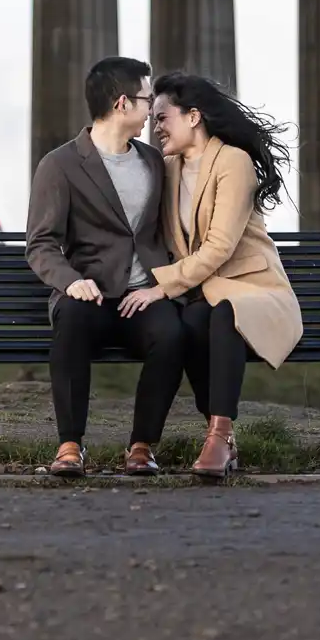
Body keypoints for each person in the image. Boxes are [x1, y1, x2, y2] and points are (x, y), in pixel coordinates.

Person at [128, 72, 302, 479]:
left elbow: (220, 246)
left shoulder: (233, 162)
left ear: (193, 117)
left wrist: (160, 287)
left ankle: (221, 437)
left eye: (162, 117)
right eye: (152, 118)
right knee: (188, 322)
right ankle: (216, 435)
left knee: (224, 313)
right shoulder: (167, 168)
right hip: (204, 291)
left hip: (255, 289)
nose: (156, 127)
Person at [24, 56, 184, 477]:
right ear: (121, 104)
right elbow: (40, 244)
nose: (152, 109)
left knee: (171, 334)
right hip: (88, 295)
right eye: (148, 99)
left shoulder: (154, 162)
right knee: (71, 325)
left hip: (141, 296)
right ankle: (70, 447)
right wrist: (71, 282)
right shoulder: (59, 165)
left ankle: (142, 446)